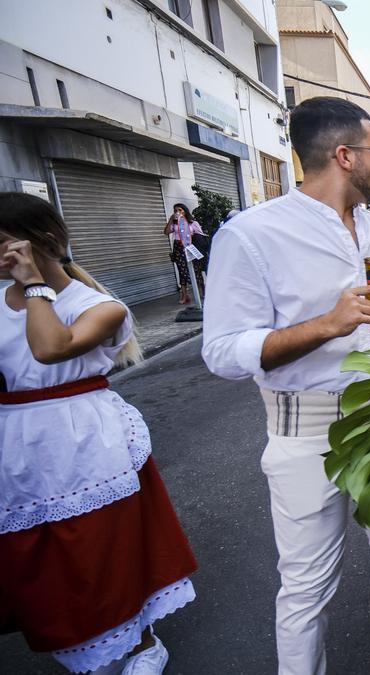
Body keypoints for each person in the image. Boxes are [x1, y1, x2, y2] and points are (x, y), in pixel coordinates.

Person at [202, 97, 370, 674]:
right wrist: (327, 324)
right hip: (306, 432)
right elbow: (223, 352)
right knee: (305, 583)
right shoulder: (252, 234)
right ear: (345, 155)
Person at [0, 192, 197, 674]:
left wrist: (33, 284)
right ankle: (84, 642)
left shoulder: (99, 306)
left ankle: (140, 643)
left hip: (84, 439)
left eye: (5, 244)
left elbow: (50, 349)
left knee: (104, 547)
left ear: (39, 241)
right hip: (18, 440)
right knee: (46, 555)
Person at [163, 203, 206, 305]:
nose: (178, 212)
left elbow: (200, 235)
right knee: (181, 270)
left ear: (185, 211)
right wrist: (170, 219)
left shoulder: (192, 223)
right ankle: (184, 295)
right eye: (175, 210)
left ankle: (203, 289)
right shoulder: (174, 223)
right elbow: (166, 232)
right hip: (178, 246)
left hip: (190, 246)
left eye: (180, 210)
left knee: (196, 269)